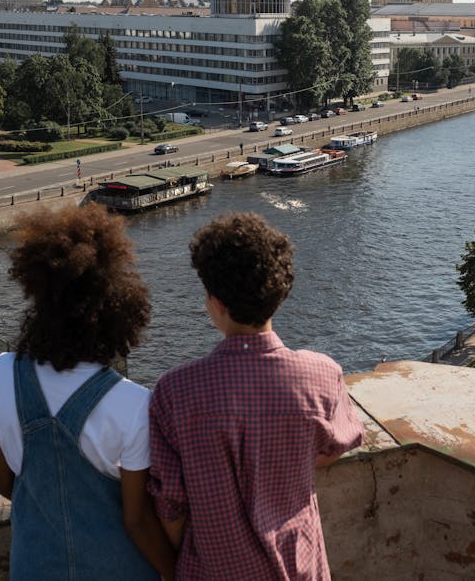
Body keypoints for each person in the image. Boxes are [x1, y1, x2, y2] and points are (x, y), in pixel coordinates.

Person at [149, 212, 365, 579]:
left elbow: (171, 505)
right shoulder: (322, 374)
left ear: (216, 302)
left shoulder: (175, 390)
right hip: (300, 563)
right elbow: (336, 446)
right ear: (280, 293)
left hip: (215, 569)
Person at [0, 203, 174, 580]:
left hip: (33, 566)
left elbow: (0, 481)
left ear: (38, 297)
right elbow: (137, 520)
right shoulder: (133, 404)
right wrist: (173, 572)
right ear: (117, 311)